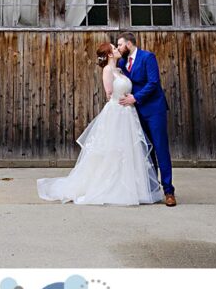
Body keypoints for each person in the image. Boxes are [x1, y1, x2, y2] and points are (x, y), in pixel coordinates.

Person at [36, 42, 164, 206]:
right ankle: (110, 185)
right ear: (110, 54)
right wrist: (122, 100)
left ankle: (132, 186)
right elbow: (110, 93)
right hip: (117, 112)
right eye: (115, 48)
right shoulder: (108, 70)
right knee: (113, 148)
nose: (118, 50)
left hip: (128, 113)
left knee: (128, 149)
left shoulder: (120, 69)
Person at [116, 31, 177, 206]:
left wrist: (135, 98)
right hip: (135, 113)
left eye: (120, 44)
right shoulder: (122, 62)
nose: (119, 48)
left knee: (160, 148)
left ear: (128, 44)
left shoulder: (147, 57)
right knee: (146, 151)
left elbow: (153, 82)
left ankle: (169, 191)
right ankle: (152, 189)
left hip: (154, 110)